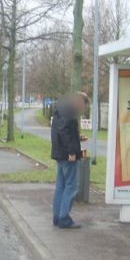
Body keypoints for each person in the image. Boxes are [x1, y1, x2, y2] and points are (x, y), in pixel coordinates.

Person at [51, 92, 88, 229]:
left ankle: (57, 216)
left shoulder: (61, 109)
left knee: (61, 187)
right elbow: (64, 131)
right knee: (71, 186)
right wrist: (72, 151)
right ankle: (64, 218)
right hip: (67, 155)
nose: (83, 110)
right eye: (84, 106)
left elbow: (62, 131)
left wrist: (78, 137)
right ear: (79, 102)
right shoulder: (70, 112)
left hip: (59, 153)